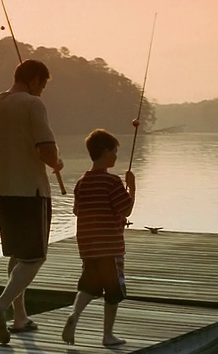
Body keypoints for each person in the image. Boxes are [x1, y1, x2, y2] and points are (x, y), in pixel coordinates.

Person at [0, 59, 64, 345]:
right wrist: (57, 162)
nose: (42, 92)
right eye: (43, 85)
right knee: (35, 257)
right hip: (31, 191)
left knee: (18, 255)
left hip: (2, 192)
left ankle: (20, 318)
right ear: (34, 79)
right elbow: (46, 149)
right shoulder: (33, 105)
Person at [62, 128, 136, 347]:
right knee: (113, 291)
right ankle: (108, 335)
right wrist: (132, 187)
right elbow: (127, 209)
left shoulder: (82, 182)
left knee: (89, 286)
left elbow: (78, 211)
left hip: (88, 247)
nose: (115, 156)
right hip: (110, 248)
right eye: (114, 152)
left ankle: (75, 315)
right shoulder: (112, 182)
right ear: (105, 152)